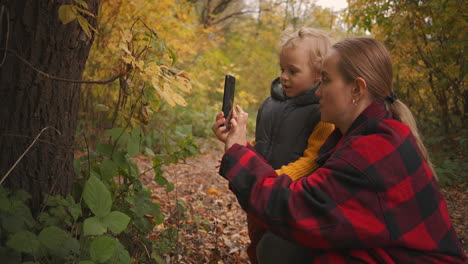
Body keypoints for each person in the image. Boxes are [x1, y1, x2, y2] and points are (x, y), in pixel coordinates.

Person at [214, 37, 467, 263]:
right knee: (282, 246)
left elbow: (296, 208)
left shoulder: (375, 148)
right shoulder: (361, 135)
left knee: (281, 247)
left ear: (356, 89)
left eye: (325, 80)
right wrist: (240, 147)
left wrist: (239, 152)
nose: (318, 91)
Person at [212, 27, 335, 264]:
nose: (284, 77)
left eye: (293, 71)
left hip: (287, 199)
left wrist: (274, 180)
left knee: (274, 246)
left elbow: (312, 161)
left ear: (319, 74)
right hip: (261, 193)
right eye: (282, 69)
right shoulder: (270, 105)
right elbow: (263, 147)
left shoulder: (323, 113)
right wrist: (238, 149)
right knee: (256, 244)